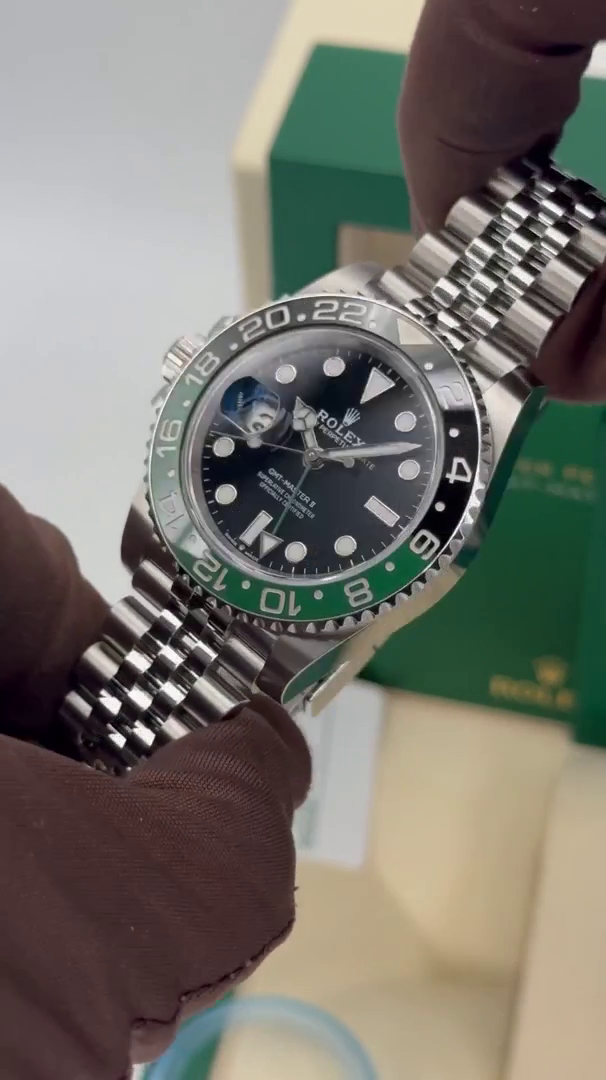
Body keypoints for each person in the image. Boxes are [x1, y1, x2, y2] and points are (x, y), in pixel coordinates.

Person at [1, 1, 605, 1076]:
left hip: (255, 609)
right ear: (199, 376)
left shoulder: (474, 412)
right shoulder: (341, 309)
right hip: (195, 583)